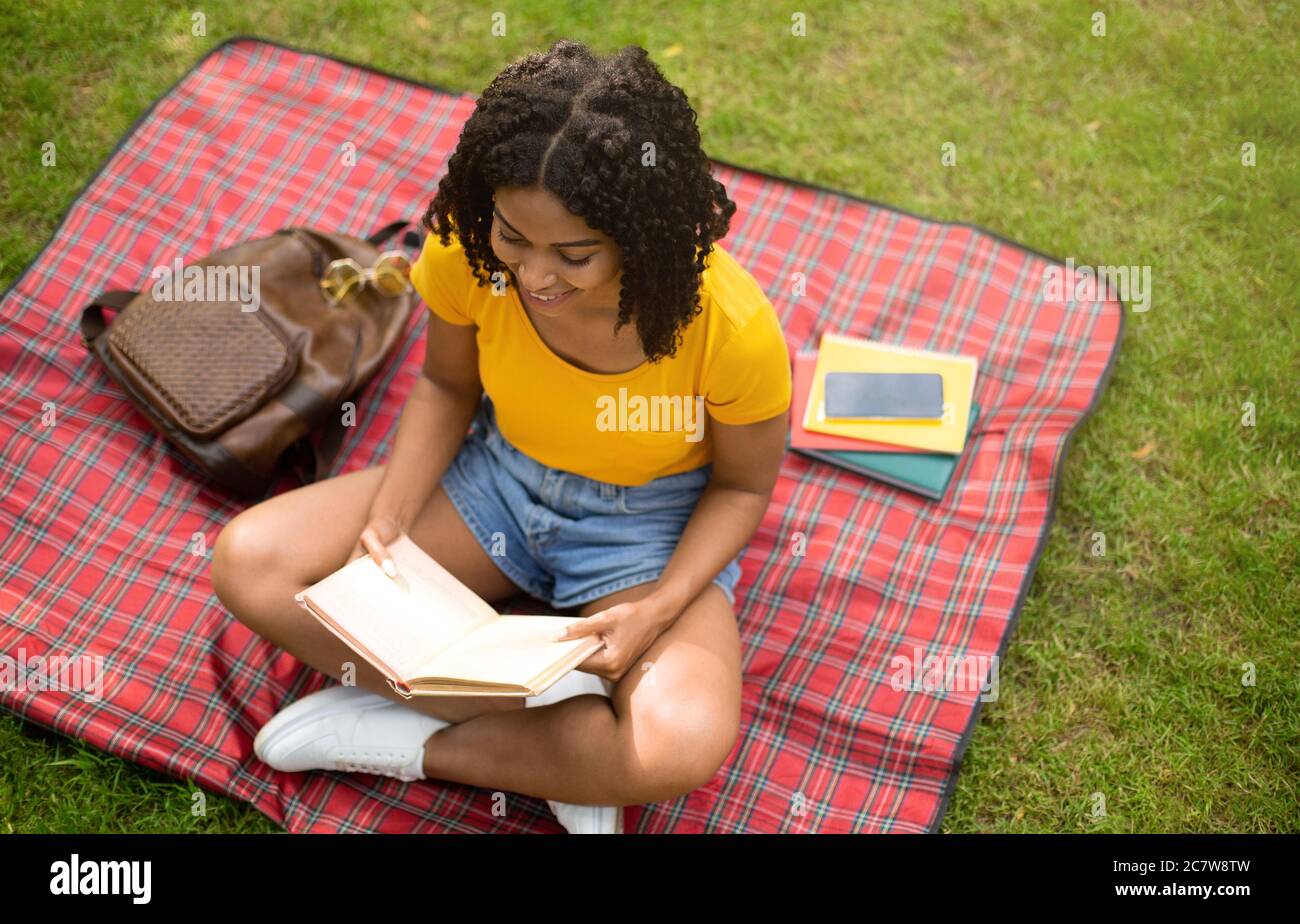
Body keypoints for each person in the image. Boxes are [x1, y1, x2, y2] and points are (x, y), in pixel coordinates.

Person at [210, 39, 791, 833]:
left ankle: (417, 741)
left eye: (575, 254)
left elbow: (742, 487)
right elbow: (448, 385)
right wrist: (391, 516)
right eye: (515, 237)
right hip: (495, 481)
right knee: (252, 562)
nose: (534, 277)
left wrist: (657, 610)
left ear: (640, 235)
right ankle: (558, 734)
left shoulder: (734, 328)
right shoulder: (468, 251)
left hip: (646, 529)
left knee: (679, 742)